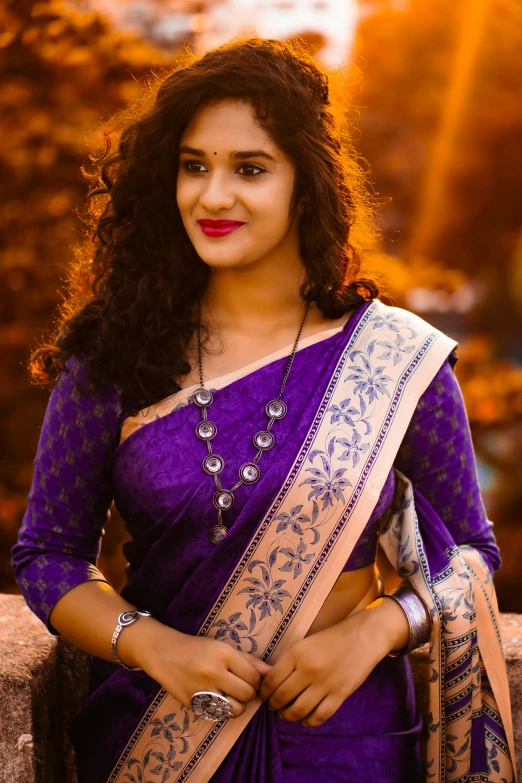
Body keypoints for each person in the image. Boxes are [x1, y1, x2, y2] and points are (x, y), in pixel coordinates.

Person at [11, 37, 515, 783]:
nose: (213, 197)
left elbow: (472, 552)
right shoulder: (113, 358)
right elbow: (47, 555)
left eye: (249, 168)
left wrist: (377, 629)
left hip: (352, 739)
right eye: (194, 167)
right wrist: (152, 645)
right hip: (164, 734)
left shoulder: (394, 359)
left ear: (303, 187)